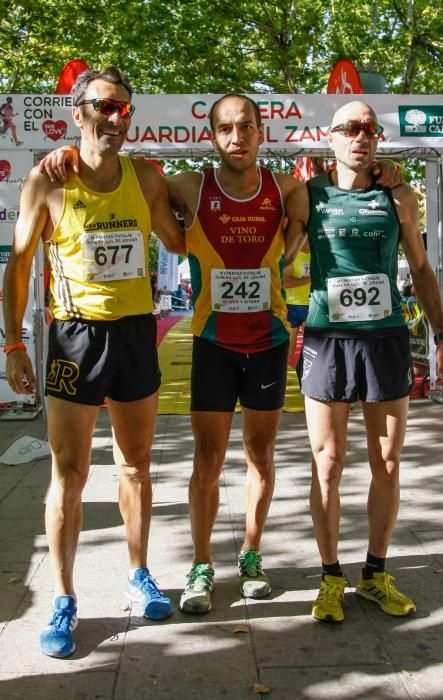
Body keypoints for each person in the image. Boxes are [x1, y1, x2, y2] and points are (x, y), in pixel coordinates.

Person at [39, 93, 402, 616]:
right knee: (206, 461)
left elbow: (341, 184)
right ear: (212, 136)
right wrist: (66, 155)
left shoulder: (291, 190)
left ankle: (252, 556)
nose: (237, 137)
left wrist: (386, 169)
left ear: (260, 133)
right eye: (226, 128)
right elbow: (123, 174)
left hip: (270, 342)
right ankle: (202, 565)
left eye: (246, 127)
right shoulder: (189, 185)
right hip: (212, 342)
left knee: (261, 457)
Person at [2, 66, 185, 658]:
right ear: (78, 112)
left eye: (125, 109)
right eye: (104, 107)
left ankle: (138, 573)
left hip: (133, 335)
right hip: (76, 338)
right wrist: (13, 344)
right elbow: (19, 267)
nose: (116, 118)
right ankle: (63, 596)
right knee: (70, 476)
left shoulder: (146, 177)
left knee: (135, 467)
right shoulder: (46, 181)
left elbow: (179, 242)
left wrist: (191, 192)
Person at [286, 100, 443, 623]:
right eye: (350, 128)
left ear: (378, 140)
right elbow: (281, 255)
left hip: (383, 340)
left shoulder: (400, 194)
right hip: (327, 339)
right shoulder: (307, 193)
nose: (361, 136)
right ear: (330, 138)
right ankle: (330, 577)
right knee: (329, 464)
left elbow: (423, 269)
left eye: (369, 129)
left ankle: (376, 571)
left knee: (386, 462)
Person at [283, 238, 311, 362]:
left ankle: (309, 378)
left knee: (311, 349)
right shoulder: (292, 256)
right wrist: (311, 278)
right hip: (291, 306)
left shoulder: (315, 255)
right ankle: (281, 379)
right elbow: (287, 282)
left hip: (310, 305)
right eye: (306, 240)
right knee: (289, 350)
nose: (309, 243)